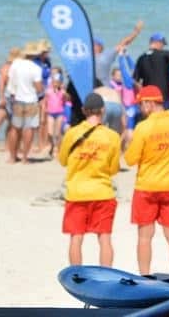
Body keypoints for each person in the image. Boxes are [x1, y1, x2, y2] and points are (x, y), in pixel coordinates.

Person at [124, 85, 169, 288]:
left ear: (149, 103)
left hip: (146, 187)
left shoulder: (144, 128)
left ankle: (144, 280)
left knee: (145, 237)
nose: (141, 109)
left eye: (141, 104)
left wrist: (127, 142)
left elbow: (130, 159)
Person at [59, 92, 121, 266]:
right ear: (102, 110)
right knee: (105, 239)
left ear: (83, 110)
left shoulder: (72, 134)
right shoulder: (112, 137)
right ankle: (106, 276)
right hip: (102, 192)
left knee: (76, 238)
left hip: (77, 193)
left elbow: (63, 161)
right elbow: (113, 169)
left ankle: (77, 276)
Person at [6, 42, 44, 164]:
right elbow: (39, 88)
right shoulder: (36, 68)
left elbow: (11, 81)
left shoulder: (16, 65)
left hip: (17, 98)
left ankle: (12, 156)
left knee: (15, 128)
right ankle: (24, 158)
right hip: (31, 100)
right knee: (29, 129)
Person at [133, 34, 169, 108]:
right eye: (162, 44)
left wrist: (143, 94)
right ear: (158, 43)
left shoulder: (141, 58)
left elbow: (135, 81)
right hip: (163, 97)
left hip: (148, 99)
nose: (163, 46)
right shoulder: (165, 54)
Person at [94, 21, 144, 86]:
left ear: (99, 46)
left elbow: (123, 43)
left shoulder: (106, 55)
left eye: (93, 44)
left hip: (103, 89)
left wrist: (136, 32)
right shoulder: (88, 56)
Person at [45, 67, 70, 157]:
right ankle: (52, 146)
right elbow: (45, 102)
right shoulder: (48, 90)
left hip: (59, 113)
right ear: (52, 82)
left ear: (60, 83)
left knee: (58, 133)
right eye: (54, 82)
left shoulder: (62, 91)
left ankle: (58, 149)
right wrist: (43, 113)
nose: (55, 84)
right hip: (50, 113)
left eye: (57, 82)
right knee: (50, 132)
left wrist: (65, 93)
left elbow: (68, 99)